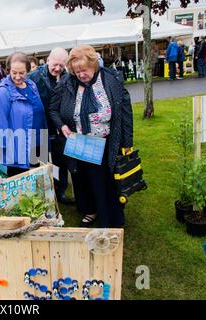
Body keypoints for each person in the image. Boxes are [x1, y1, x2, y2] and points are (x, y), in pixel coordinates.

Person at [49, 45, 133, 228]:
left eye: (84, 70)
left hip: (105, 141)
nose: (81, 75)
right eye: (77, 71)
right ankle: (90, 210)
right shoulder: (67, 83)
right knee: (82, 181)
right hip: (79, 142)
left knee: (105, 183)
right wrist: (62, 125)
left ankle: (109, 220)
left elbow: (125, 111)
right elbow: (53, 109)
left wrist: (127, 142)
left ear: (94, 65)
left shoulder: (111, 79)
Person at [28, 47, 73, 206]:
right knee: (40, 162)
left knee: (61, 162)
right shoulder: (33, 77)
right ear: (48, 60)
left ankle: (60, 192)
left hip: (59, 127)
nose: (57, 68)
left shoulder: (67, 77)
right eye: (55, 64)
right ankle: (41, 195)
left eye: (61, 65)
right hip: (39, 127)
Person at [0, 52, 47, 177]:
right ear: (8, 71)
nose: (17, 77)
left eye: (21, 73)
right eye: (14, 72)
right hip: (19, 148)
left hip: (38, 142)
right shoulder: (3, 93)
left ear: (27, 71)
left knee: (40, 182)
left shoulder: (31, 85)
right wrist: (9, 150)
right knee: (23, 187)